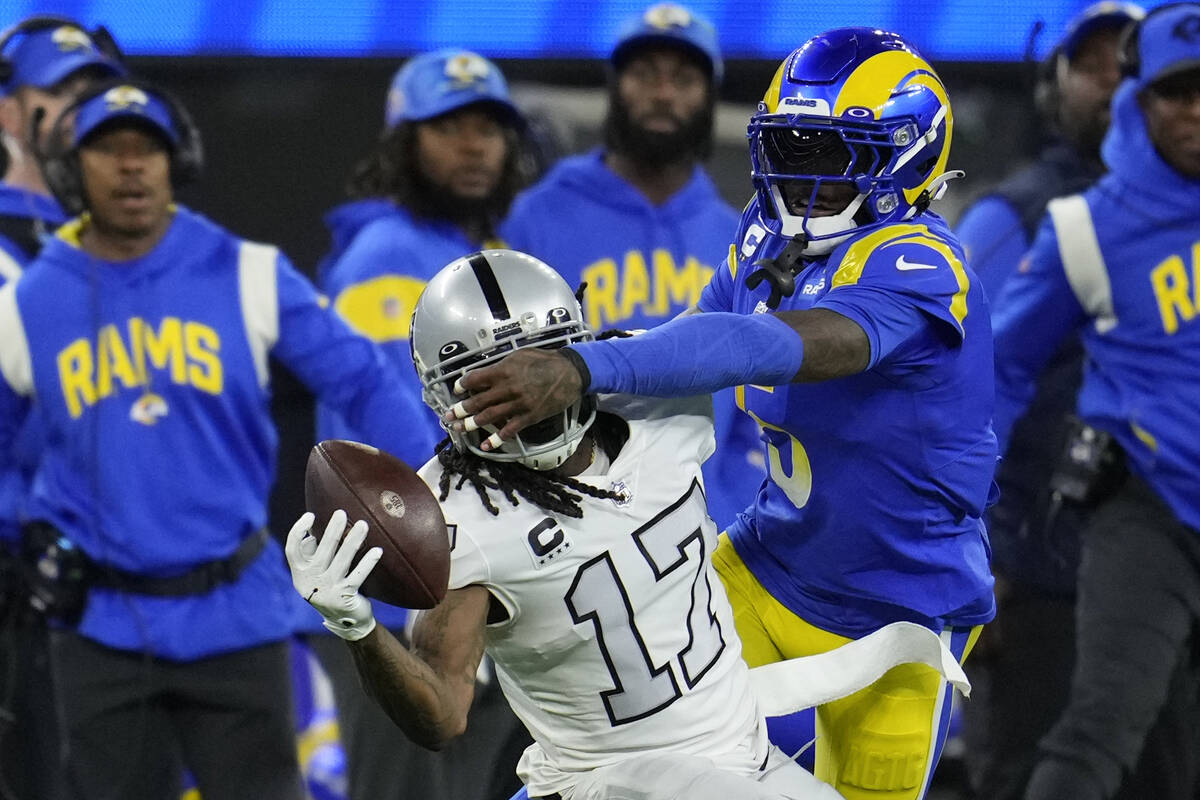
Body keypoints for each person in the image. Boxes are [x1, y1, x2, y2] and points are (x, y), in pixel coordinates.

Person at [444, 28, 996, 800]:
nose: (804, 179)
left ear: (907, 157)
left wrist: (583, 366)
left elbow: (762, 345)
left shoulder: (922, 262)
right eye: (792, 149)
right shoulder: (765, 236)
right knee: (632, 752)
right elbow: (690, 339)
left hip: (898, 607)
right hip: (768, 565)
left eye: (835, 154)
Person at [0, 78, 430, 799]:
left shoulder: (248, 274)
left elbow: (361, 378)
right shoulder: (26, 307)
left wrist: (436, 485)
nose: (132, 167)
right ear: (74, 169)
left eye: (149, 150)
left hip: (235, 616)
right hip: (100, 627)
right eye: (110, 151)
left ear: (179, 165)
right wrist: (28, 523)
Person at [287, 248, 846, 800]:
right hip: (605, 785)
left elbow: (738, 333)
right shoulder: (456, 517)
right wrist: (358, 630)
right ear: (441, 396)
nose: (517, 396)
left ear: (577, 351)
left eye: (532, 366)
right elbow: (443, 714)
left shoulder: (655, 400)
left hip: (740, 747)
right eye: (482, 382)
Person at [952, 5, 1174, 799]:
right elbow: (959, 394)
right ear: (1055, 86)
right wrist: (973, 555)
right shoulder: (1009, 221)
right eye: (1095, 64)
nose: (1115, 80)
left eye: (1133, 64)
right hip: (1041, 579)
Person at [298, 48, 530, 800]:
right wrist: (436, 571)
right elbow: (378, 430)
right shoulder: (388, 254)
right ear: (405, 142)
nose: (474, 145)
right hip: (409, 566)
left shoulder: (481, 253)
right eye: (449, 126)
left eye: (489, 127)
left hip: (475, 568)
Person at [501, 3, 764, 531]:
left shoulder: (736, 233)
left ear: (710, 97)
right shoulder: (537, 216)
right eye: (645, 74)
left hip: (707, 524)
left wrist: (733, 507)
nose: (663, 93)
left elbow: (755, 395)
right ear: (614, 87)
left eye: (685, 78)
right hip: (569, 515)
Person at [0, 16, 125, 800]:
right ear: (9, 112)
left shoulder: (141, 240)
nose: (84, 108)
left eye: (98, 91)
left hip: (124, 580)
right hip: (20, 581)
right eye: (63, 91)